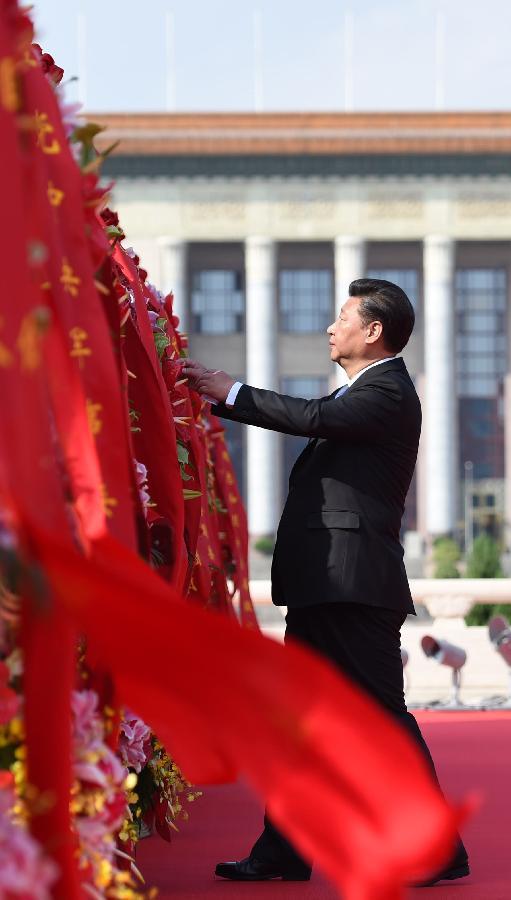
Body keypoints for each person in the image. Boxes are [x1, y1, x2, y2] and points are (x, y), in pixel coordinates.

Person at [182, 278, 469, 886]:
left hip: (353, 582)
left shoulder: (387, 391)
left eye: (342, 317)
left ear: (374, 332)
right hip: (327, 582)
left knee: (381, 715)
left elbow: (312, 417)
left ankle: (437, 846)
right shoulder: (362, 395)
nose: (330, 327)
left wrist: (228, 390)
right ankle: (285, 850)